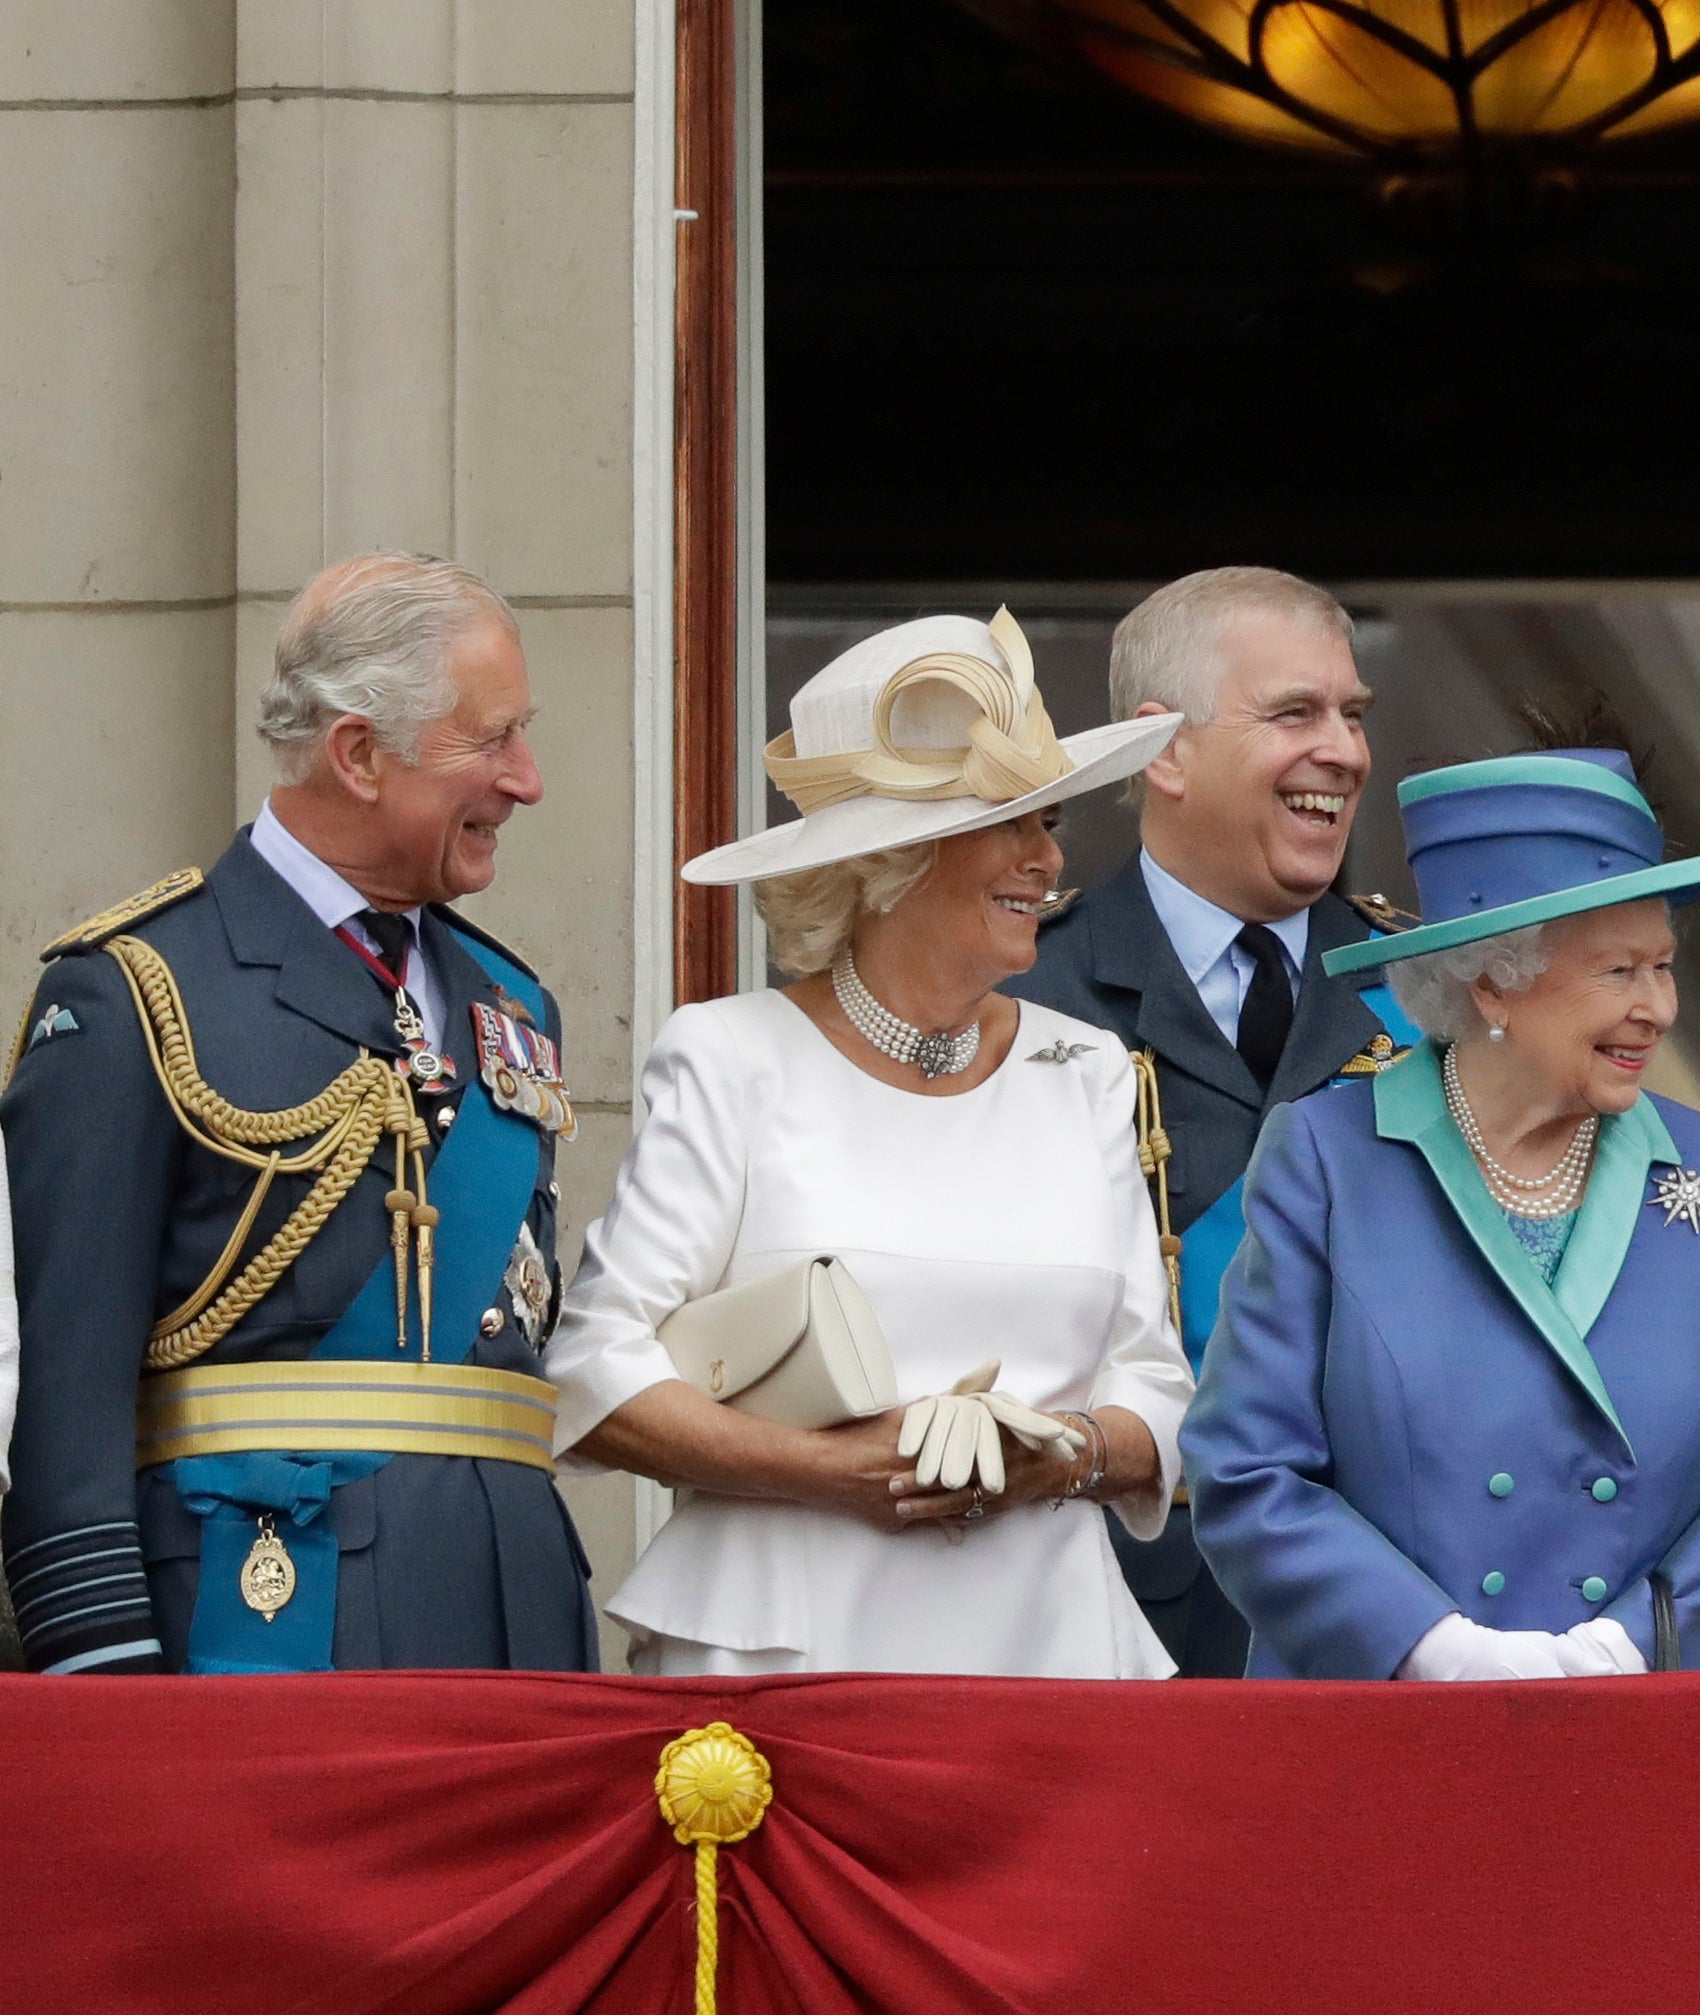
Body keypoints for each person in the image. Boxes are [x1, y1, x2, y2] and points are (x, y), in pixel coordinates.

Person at [549, 610, 1197, 1677]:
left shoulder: (1082, 1067)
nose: (1049, 857)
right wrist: (832, 1469)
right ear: (892, 861)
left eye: (1048, 823)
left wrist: (1062, 1455)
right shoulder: (730, 1056)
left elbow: (1154, 1387)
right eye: (1014, 823)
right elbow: (599, 1368)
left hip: (1051, 1656)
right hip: (785, 1656)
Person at [2, 552, 592, 1674]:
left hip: (511, 1613)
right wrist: (103, 1673)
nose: (527, 780)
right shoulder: (137, 990)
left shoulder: (512, 1002)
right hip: (263, 1612)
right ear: (359, 753)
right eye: (492, 738)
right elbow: (63, 1399)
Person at [1184, 734, 1700, 1677]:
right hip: (1380, 1735)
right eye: (1619, 971)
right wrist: (1432, 1651)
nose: (1660, 1008)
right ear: (1492, 981)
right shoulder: (1329, 1162)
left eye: (1664, 966)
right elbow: (1245, 1469)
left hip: (1639, 1726)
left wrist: (1635, 1645)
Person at [1014, 565, 1412, 1674]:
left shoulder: (1436, 994)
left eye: (1352, 715)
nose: (1343, 749)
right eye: (1295, 712)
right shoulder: (1024, 991)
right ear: (1164, 750)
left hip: (1390, 1608)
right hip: (1107, 1607)